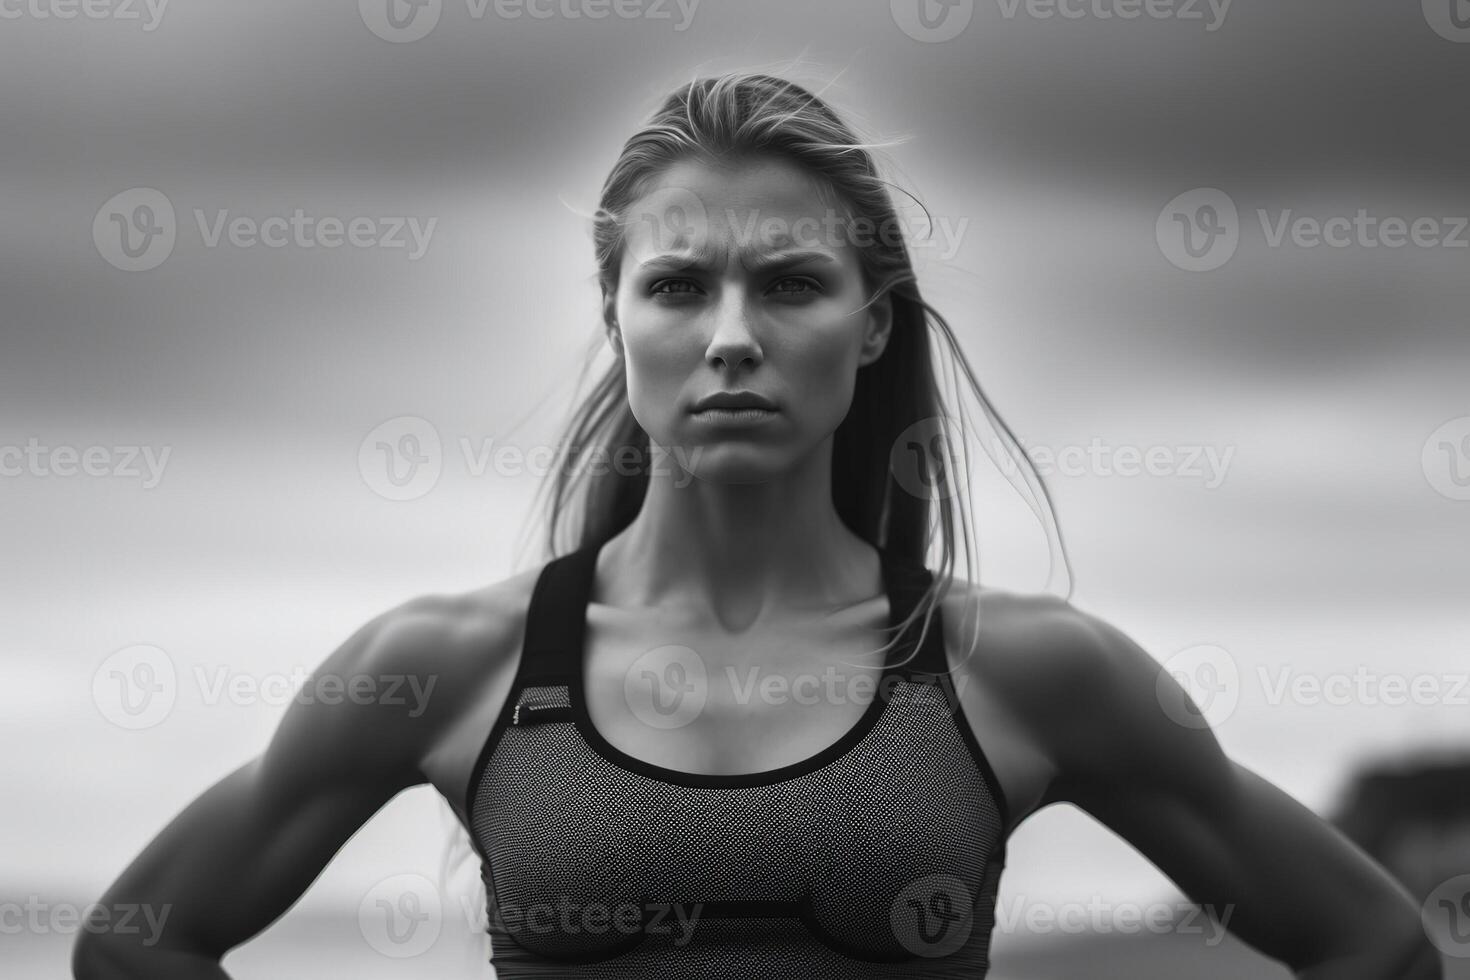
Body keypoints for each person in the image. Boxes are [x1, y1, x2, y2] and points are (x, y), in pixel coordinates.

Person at [73, 72, 1443, 979]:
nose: (732, 338)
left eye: (790, 284)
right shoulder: (448, 662)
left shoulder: (1024, 672)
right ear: (615, 322)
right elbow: (138, 944)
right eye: (677, 287)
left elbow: (1374, 950)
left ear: (872, 326)